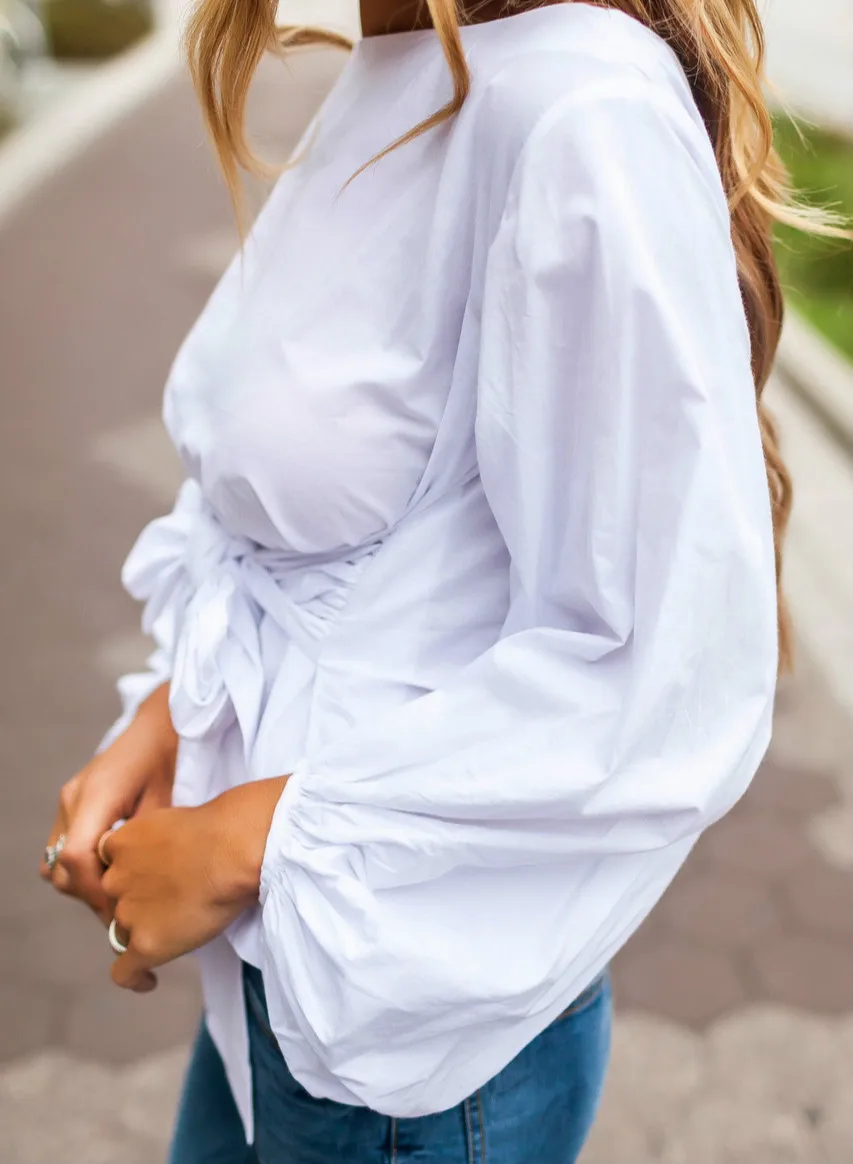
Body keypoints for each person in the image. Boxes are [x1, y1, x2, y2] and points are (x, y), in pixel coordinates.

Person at [40, 0, 816, 1159]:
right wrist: (174, 716)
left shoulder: (579, 104)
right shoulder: (404, 57)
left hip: (405, 1035)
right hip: (288, 974)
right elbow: (355, 543)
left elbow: (661, 662)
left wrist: (254, 839)